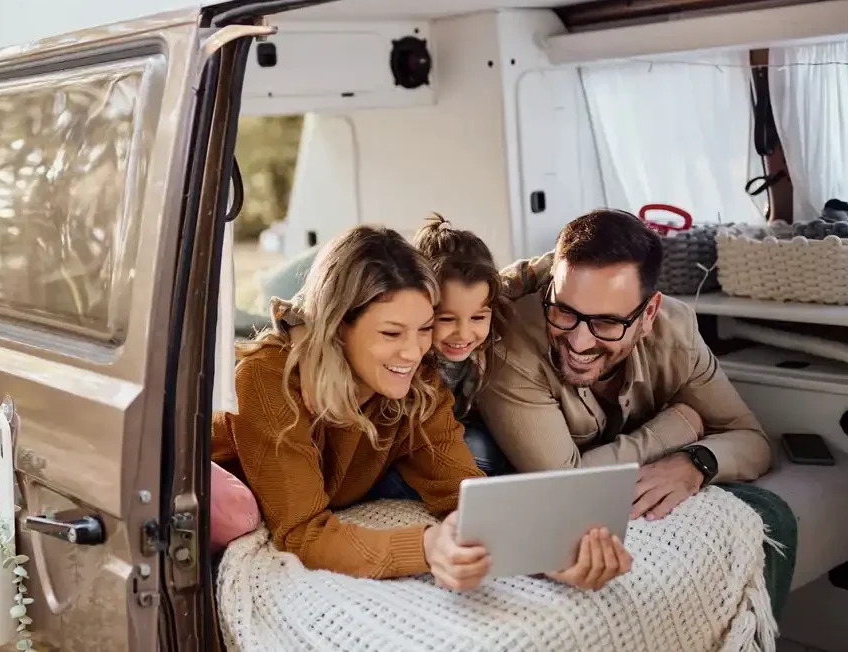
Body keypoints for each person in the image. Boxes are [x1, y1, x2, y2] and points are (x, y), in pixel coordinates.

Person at [211, 224, 630, 591]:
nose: (413, 352)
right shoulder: (267, 379)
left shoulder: (419, 383)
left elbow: (463, 492)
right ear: (337, 327)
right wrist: (426, 546)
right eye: (392, 333)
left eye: (425, 328)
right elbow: (303, 532)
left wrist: (551, 555)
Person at [479, 208, 796, 613]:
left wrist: (696, 462)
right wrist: (677, 428)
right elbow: (564, 486)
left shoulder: (676, 331)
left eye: (607, 323)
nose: (578, 342)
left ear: (648, 314)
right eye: (564, 311)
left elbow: (752, 440)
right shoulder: (511, 345)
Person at [365, 214, 513, 501]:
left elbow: (524, 277)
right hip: (397, 455)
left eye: (478, 318)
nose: (464, 333)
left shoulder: (485, 338)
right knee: (479, 450)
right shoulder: (407, 356)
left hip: (449, 433)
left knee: (492, 442)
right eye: (446, 318)